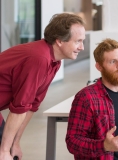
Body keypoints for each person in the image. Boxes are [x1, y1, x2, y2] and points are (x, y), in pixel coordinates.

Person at [0, 13, 85, 160]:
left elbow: (32, 105)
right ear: (59, 41)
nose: (82, 47)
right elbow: (20, 107)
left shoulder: (54, 61)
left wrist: (15, 143)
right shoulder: (39, 58)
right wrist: (4, 151)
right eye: (78, 41)